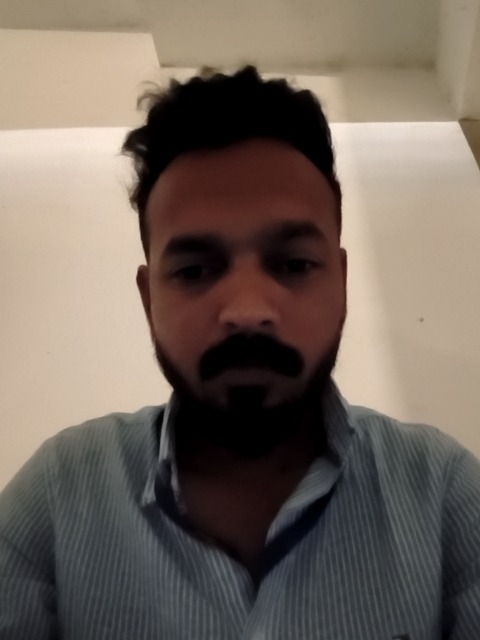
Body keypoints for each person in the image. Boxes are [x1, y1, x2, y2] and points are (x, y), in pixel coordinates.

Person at [0, 66, 479, 640]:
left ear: (341, 282)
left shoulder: (444, 493)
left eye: (293, 264)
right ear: (149, 299)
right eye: (195, 271)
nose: (248, 310)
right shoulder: (58, 495)